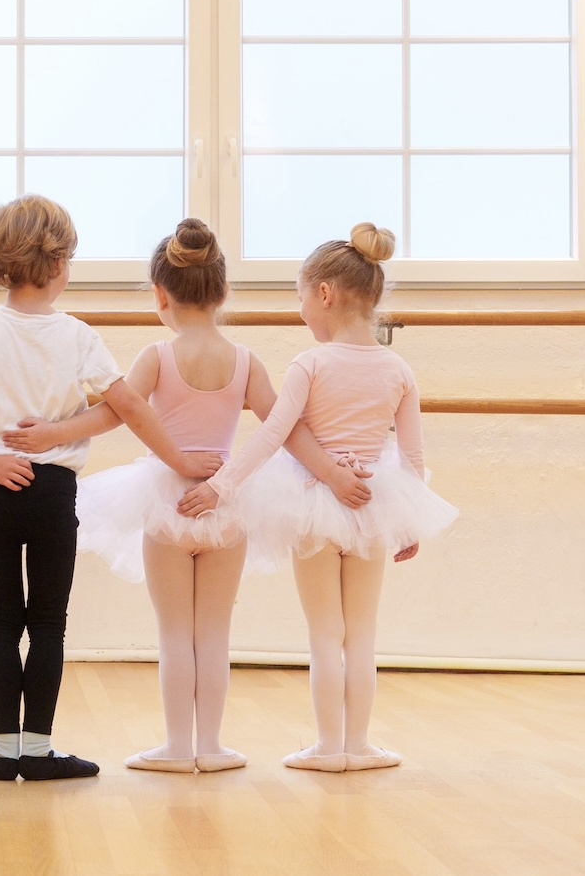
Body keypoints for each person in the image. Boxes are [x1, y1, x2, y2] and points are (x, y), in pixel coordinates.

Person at [3, 218, 366, 774]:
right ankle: (211, 747)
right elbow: (285, 429)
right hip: (225, 504)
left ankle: (177, 747)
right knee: (214, 634)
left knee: (174, 634)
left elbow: (115, 413)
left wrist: (52, 433)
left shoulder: (157, 356)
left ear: (160, 294)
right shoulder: (245, 361)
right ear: (223, 291)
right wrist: (333, 473)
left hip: (167, 503)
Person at [0, 195, 218, 782]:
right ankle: (37, 752)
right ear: (59, 263)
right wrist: (179, 459)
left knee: (0, 622)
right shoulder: (77, 335)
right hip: (54, 493)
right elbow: (128, 406)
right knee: (48, 622)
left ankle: (2, 750)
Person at [180, 224, 458, 773]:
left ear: (325, 293)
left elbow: (271, 435)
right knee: (362, 634)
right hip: (372, 506)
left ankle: (329, 746)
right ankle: (359, 745)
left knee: (325, 634)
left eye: (301, 296)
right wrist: (409, 524)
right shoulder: (398, 370)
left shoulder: (310, 364)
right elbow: (412, 456)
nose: (301, 309)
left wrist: (219, 486)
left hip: (312, 506)